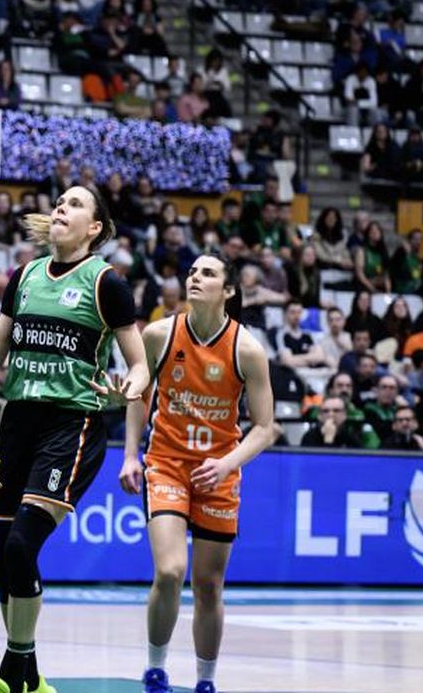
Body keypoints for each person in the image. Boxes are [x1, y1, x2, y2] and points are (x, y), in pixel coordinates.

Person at [0, 185, 149, 693]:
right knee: (0, 557)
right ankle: (27, 676)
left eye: (75, 204)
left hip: (71, 426)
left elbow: (142, 366)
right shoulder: (26, 276)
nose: (61, 207)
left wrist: (130, 386)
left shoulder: (107, 284)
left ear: (95, 228)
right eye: (60, 201)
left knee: (20, 548)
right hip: (17, 421)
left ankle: (15, 670)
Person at [120, 255, 275, 693]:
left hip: (219, 472)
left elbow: (264, 428)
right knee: (170, 571)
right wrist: (131, 454)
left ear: (228, 290)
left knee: (208, 586)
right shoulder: (158, 334)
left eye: (208, 273)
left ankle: (206, 681)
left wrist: (226, 464)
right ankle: (155, 669)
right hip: (166, 462)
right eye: (192, 271)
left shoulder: (247, 349)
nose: (195, 277)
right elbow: (138, 393)